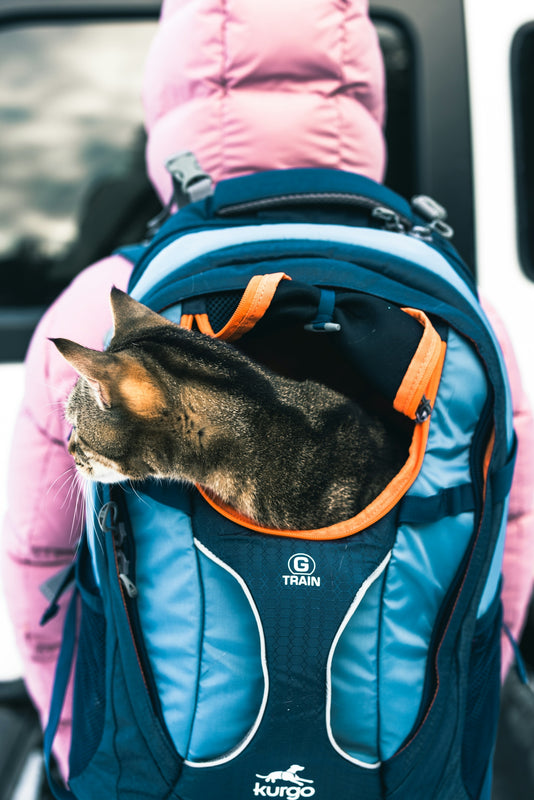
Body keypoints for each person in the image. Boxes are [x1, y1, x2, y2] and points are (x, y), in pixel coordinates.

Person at [2, 0, 533, 784]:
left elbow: (39, 559)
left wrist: (87, 736)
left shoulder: (108, 298)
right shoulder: (465, 311)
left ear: (168, 101)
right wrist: (447, 729)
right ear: (364, 97)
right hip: (398, 761)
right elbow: (503, 555)